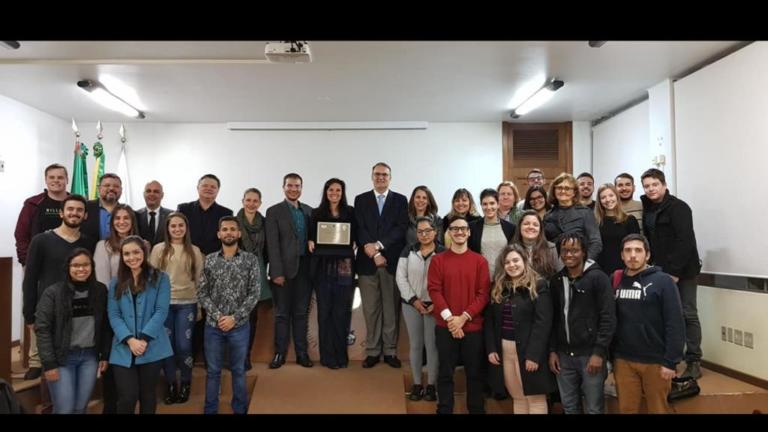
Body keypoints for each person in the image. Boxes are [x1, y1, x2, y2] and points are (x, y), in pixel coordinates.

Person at [22, 195, 96, 382]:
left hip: (77, 311)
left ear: (85, 215)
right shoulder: (41, 240)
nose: (75, 213)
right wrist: (29, 314)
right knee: (50, 364)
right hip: (49, 310)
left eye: (79, 210)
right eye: (70, 209)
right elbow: (30, 279)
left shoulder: (88, 243)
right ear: (62, 213)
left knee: (67, 361)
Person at [641, 168, 702, 379]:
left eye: (654, 185)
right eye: (647, 186)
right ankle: (670, 358)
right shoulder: (648, 209)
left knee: (687, 314)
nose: (650, 189)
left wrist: (674, 272)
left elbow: (685, 241)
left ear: (664, 184)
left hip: (683, 272)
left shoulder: (679, 207)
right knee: (664, 316)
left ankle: (694, 360)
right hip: (659, 272)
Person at [613, 233, 684, 414]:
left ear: (648, 254)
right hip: (623, 360)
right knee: (626, 409)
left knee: (658, 409)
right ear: (621, 255)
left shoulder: (663, 281)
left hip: (656, 361)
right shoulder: (615, 279)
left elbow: (675, 322)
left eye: (638, 250)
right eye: (628, 251)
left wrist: (671, 361)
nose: (633, 255)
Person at [197, 216, 261, 414]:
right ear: (219, 234)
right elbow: (202, 292)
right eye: (225, 229)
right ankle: (210, 410)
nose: (229, 233)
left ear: (239, 234)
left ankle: (240, 409)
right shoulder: (209, 260)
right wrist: (218, 316)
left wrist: (234, 318)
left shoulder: (250, 260)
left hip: (240, 326)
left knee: (239, 370)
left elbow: (254, 293)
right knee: (214, 371)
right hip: (213, 327)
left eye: (233, 229)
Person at [34, 248, 110, 414]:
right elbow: (43, 329)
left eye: (85, 264)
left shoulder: (100, 290)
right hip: (62, 358)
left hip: (89, 357)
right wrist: (49, 364)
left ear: (92, 266)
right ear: (68, 268)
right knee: (64, 409)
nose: (81, 269)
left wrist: (104, 354)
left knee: (80, 408)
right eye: (76, 265)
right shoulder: (53, 293)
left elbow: (105, 325)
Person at [428, 216, 489, 414]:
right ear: (449, 233)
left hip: (472, 327)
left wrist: (463, 318)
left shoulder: (480, 261)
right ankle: (444, 409)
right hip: (445, 327)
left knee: (475, 374)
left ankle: (476, 410)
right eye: (455, 229)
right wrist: (451, 320)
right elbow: (434, 291)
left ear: (469, 232)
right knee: (445, 373)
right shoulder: (438, 260)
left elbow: (483, 294)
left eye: (463, 229)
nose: (460, 232)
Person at [548, 232, 616, 414]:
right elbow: (553, 319)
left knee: (594, 408)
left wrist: (599, 353)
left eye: (574, 250)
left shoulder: (599, 278)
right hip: (563, 357)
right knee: (570, 407)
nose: (569, 255)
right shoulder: (556, 280)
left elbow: (608, 318)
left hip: (590, 355)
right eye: (564, 250)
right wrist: (553, 350)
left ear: (584, 252)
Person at [485, 244, 555, 414]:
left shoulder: (538, 285)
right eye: (507, 262)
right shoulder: (499, 287)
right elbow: (489, 321)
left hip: (529, 352)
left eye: (516, 260)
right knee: (518, 397)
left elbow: (543, 323)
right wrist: (491, 348)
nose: (512, 265)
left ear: (524, 261)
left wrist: (534, 355)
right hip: (505, 351)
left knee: (535, 399)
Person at [107, 236, 172, 414]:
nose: (132, 257)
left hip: (152, 345)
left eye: (136, 252)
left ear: (144, 252)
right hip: (123, 347)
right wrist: (130, 340)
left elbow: (161, 311)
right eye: (126, 254)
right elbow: (114, 314)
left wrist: (142, 339)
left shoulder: (161, 278)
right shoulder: (115, 282)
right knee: (127, 397)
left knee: (148, 396)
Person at [354, 162, 409, 369]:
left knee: (390, 309)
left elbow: (400, 229)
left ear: (390, 178)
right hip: (367, 264)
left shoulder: (400, 200)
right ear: (371, 177)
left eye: (384, 175)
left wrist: (378, 246)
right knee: (371, 309)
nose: (380, 178)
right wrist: (373, 252)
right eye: (377, 174)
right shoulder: (361, 200)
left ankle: (390, 351)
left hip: (391, 263)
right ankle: (373, 351)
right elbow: (359, 227)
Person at [149, 212, 204, 404]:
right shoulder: (158, 250)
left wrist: (199, 307)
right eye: (173, 226)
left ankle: (186, 383)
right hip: (164, 305)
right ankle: (171, 384)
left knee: (183, 345)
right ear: (167, 228)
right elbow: (151, 280)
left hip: (187, 303)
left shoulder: (194, 251)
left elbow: (199, 280)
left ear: (186, 228)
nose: (177, 229)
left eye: (181, 225)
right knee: (167, 346)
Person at [266, 173, 314, 369]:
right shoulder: (274, 211)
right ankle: (280, 353)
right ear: (283, 187)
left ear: (301, 188)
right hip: (283, 270)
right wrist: (276, 272)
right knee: (282, 314)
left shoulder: (309, 211)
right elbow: (272, 244)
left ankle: (302, 354)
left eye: (297, 186)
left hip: (305, 269)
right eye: (290, 186)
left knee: (302, 314)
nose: (294, 189)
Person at [308, 178, 357, 369]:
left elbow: (356, 234)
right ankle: (327, 357)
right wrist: (310, 241)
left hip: (344, 270)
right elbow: (311, 236)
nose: (334, 193)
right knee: (325, 314)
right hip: (323, 269)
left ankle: (340, 356)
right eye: (331, 189)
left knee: (341, 314)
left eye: (338, 190)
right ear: (325, 191)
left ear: (342, 192)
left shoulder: (350, 212)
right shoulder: (316, 213)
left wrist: (354, 241)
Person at [396, 216, 443, 402]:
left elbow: (447, 281)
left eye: (428, 231)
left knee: (432, 346)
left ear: (435, 232)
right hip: (411, 305)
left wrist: (435, 303)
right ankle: (417, 384)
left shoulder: (443, 253)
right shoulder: (408, 251)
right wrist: (414, 300)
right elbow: (401, 278)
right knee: (416, 345)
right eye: (420, 231)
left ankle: (431, 385)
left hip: (435, 306)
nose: (424, 234)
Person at [235, 188, 270, 371]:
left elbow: (268, 250)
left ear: (260, 203)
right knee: (237, 317)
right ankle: (235, 356)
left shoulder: (264, 223)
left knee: (252, 318)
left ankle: (246, 356)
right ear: (242, 201)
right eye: (248, 200)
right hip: (237, 273)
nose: (251, 204)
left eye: (255, 201)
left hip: (258, 272)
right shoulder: (233, 222)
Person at [15, 163, 70, 267]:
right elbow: (21, 235)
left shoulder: (77, 203)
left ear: (67, 180)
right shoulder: (33, 204)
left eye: (60, 177)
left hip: (70, 264)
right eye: (52, 177)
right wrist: (27, 261)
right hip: (37, 263)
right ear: (46, 180)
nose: (56, 180)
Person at [543, 172, 602, 260]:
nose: (563, 191)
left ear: (574, 192)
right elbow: (544, 244)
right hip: (555, 264)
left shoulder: (585, 212)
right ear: (554, 191)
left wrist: (585, 263)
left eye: (567, 188)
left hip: (580, 263)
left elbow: (596, 242)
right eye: (559, 188)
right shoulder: (548, 215)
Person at [468, 188, 515, 277]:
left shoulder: (510, 228)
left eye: (492, 203)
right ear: (481, 206)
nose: (489, 207)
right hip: (480, 278)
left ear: (498, 204)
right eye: (485, 204)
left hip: (505, 278)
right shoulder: (472, 227)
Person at [595, 184, 640, 274]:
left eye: (611, 195)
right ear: (599, 201)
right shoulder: (595, 222)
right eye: (603, 197)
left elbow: (636, 247)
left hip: (625, 269)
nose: (608, 200)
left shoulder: (629, 220)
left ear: (617, 197)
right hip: (600, 270)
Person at [94, 204, 142, 287]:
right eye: (117, 218)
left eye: (126, 218)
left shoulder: (142, 244)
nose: (122, 222)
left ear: (132, 221)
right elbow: (102, 282)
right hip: (115, 296)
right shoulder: (103, 246)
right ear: (112, 222)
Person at [511, 210, 562, 280]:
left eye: (535, 225)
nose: (531, 227)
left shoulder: (551, 248)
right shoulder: (511, 249)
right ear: (519, 227)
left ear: (540, 229)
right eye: (526, 224)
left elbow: (558, 276)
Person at [81, 173, 123, 241]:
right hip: (89, 250)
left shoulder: (127, 211)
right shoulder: (85, 207)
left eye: (116, 186)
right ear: (99, 188)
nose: (111, 188)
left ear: (121, 190)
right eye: (107, 185)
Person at [136, 180, 172, 247]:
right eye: (148, 191)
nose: (152, 194)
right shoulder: (135, 215)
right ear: (144, 194)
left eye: (156, 191)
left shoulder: (171, 215)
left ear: (162, 195)